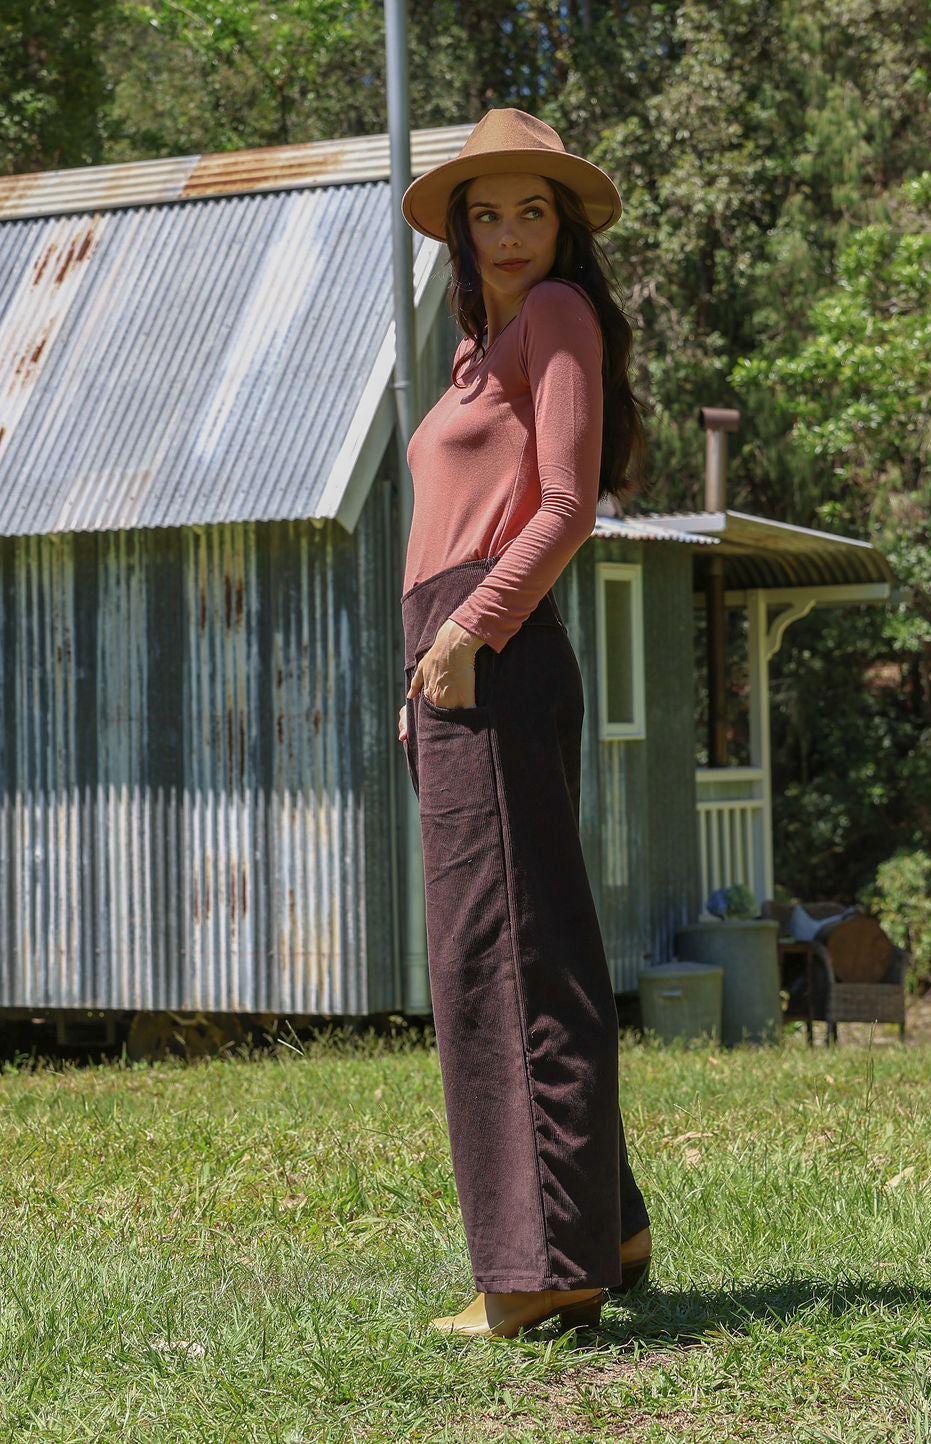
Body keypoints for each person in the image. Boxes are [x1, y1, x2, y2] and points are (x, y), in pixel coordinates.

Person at [398, 108, 651, 1339]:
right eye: (486, 213)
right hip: (456, 658)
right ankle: (611, 1226)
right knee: (520, 938)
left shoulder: (556, 314)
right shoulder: (473, 351)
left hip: (489, 646)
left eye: (530, 211)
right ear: (461, 230)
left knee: (497, 958)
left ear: (563, 227)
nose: (507, 234)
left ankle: (544, 1269)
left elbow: (563, 506)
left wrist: (465, 633)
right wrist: (421, 670)